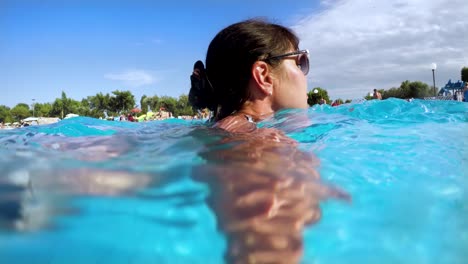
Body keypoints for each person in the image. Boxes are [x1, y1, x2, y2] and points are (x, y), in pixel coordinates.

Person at [189, 19, 349, 264]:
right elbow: (268, 245)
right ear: (263, 75)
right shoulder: (256, 141)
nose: (305, 74)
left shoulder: (228, 130)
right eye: (300, 62)